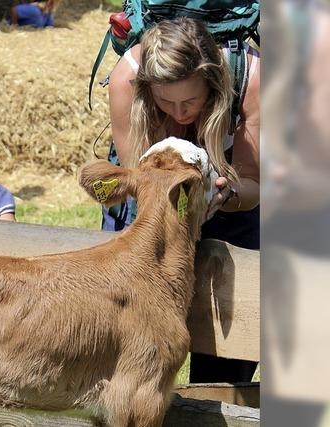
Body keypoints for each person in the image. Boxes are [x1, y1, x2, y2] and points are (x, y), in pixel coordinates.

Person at [104, 17, 259, 382]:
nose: (179, 113)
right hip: (151, 214)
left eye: (190, 101)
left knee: (228, 347)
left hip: (227, 210)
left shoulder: (251, 79)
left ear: (214, 83)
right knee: (129, 344)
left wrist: (228, 194)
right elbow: (137, 182)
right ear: (147, 88)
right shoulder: (125, 81)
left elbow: (254, 184)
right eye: (164, 101)